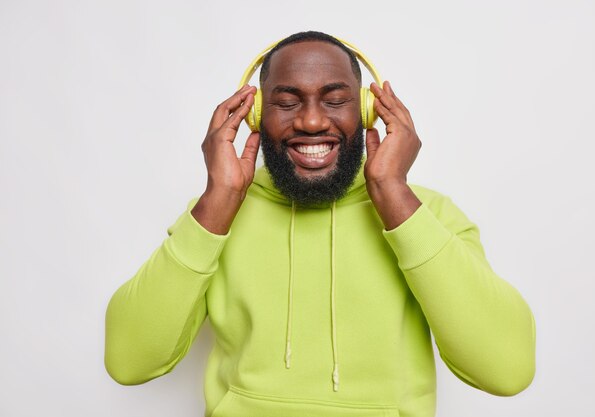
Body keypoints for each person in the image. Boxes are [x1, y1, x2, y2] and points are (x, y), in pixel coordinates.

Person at [105, 30, 536, 417]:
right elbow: (129, 362)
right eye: (287, 102)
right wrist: (219, 199)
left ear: (368, 110)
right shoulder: (216, 215)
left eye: (335, 100)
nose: (311, 121)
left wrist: (393, 193)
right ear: (254, 114)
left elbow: (506, 370)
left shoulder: (428, 215)